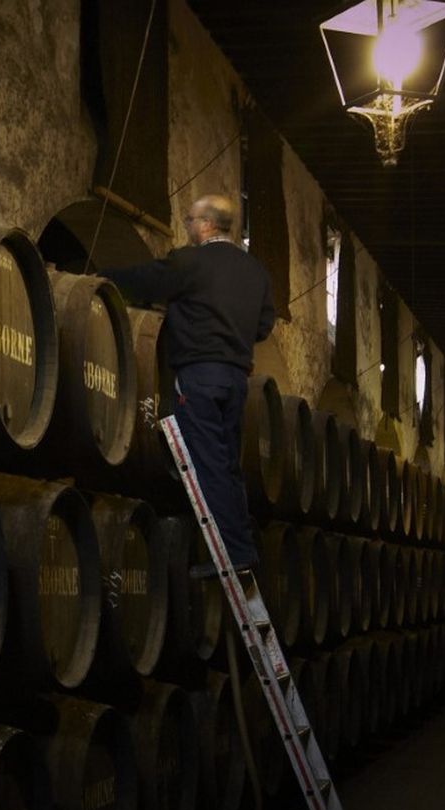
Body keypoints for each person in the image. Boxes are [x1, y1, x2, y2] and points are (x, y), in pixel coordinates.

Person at [101, 194, 274, 577]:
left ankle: (233, 556)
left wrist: (102, 277)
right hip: (235, 379)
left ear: (209, 224)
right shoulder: (256, 272)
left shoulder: (190, 262)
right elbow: (263, 326)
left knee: (207, 464)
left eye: (191, 219)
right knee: (228, 465)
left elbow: (147, 281)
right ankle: (242, 546)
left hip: (200, 376)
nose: (187, 226)